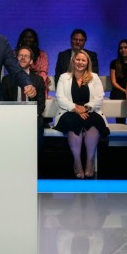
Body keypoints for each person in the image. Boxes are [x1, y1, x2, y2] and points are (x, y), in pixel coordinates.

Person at [54, 50, 109, 178]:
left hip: (89, 109)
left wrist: (86, 107)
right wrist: (75, 108)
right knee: (73, 122)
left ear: (87, 63)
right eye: (78, 59)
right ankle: (77, 162)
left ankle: (89, 161)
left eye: (83, 60)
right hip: (69, 111)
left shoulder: (94, 77)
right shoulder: (64, 77)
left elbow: (100, 97)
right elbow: (60, 98)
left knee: (94, 122)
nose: (80, 62)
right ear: (73, 61)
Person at [2, 46, 47, 150]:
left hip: (33, 116)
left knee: (38, 125)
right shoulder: (6, 80)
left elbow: (41, 104)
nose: (23, 58)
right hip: (12, 117)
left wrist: (30, 116)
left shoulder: (38, 80)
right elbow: (4, 102)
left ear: (31, 61)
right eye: (20, 56)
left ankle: (36, 163)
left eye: (26, 56)